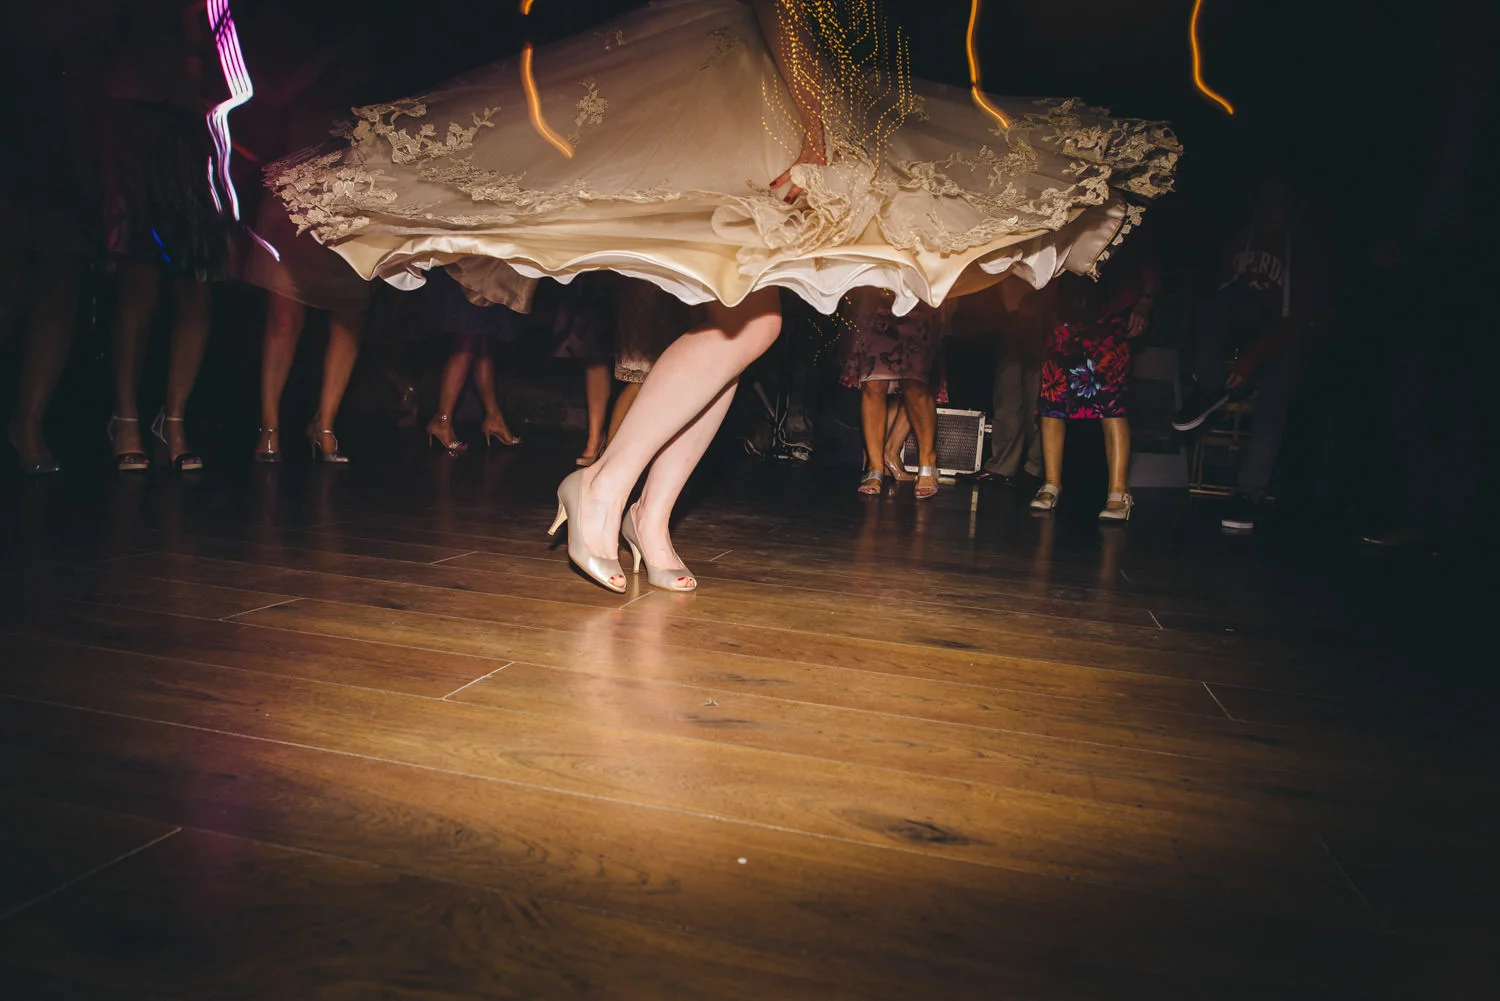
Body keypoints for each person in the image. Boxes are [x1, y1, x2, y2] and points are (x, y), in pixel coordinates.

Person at [267, 0, 1179, 590]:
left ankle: (644, 512)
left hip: (766, 83)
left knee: (751, 316)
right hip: (737, 92)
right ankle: (604, 482)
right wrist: (814, 131)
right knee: (751, 320)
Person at [101, 0, 233, 473]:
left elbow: (223, 79)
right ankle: (125, 417)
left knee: (198, 285)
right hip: (137, 132)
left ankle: (173, 419)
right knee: (138, 286)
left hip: (191, 140)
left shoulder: (209, 12)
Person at [1172, 178, 1313, 532]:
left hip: (1288, 334)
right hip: (1251, 319)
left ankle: (1248, 493)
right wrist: (1212, 362)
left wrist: (1250, 360)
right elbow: (1221, 291)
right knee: (1212, 302)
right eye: (1264, 203)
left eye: (1277, 204)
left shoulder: (1303, 250)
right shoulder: (1243, 240)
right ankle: (1209, 389)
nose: (1269, 212)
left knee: (1274, 404)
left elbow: (1293, 319)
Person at [1029, 241, 1159, 520]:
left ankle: (1118, 493)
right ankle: (1051, 484)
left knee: (1111, 402)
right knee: (1053, 397)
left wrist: (1145, 302)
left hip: (1112, 312)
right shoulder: (1070, 203)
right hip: (1066, 309)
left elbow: (1147, 262)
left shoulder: (1130, 212)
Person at [840, 288, 947, 499]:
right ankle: (875, 466)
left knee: (915, 381)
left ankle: (928, 460)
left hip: (918, 292)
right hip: (878, 292)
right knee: (873, 381)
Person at [423, 268, 525, 455]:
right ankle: (441, 420)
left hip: (491, 268)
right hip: (471, 268)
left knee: (484, 342)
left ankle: (494, 417)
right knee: (467, 339)